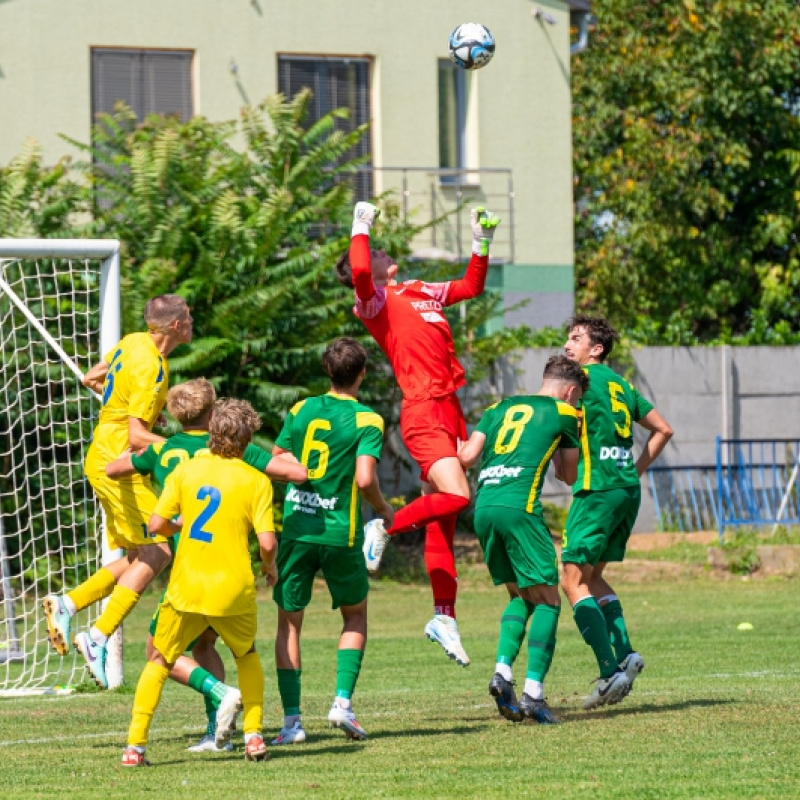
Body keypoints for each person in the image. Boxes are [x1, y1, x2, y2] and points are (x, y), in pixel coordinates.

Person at [336, 201, 500, 667]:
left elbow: (472, 285)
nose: (386, 254)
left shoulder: (419, 289)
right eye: (378, 250)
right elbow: (363, 271)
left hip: (450, 406)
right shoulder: (374, 300)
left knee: (443, 523)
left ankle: (443, 616)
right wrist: (360, 224)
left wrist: (480, 240)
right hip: (424, 408)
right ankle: (383, 525)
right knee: (459, 495)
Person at [105, 377, 307, 752]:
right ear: (247, 440)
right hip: (234, 588)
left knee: (160, 660)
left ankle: (135, 746)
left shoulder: (186, 471)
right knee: (246, 655)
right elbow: (266, 541)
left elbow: (155, 525)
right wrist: (270, 567)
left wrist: (176, 524)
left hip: (187, 586)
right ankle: (253, 735)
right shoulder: (255, 479)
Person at [42, 294, 193, 689]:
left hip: (102, 452)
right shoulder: (154, 368)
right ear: (175, 326)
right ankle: (97, 635)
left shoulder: (131, 341)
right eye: (189, 318)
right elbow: (136, 435)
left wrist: (130, 408)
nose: (193, 323)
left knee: (137, 556)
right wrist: (183, 450)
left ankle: (68, 603)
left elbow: (91, 378)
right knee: (160, 550)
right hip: (117, 462)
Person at [269, 338, 393, 744]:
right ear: (362, 373)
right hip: (340, 533)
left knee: (290, 623)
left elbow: (276, 460)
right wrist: (383, 508)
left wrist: (304, 479)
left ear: (327, 370)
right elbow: (364, 479)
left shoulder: (301, 409)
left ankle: (291, 723)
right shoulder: (368, 420)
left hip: (298, 529)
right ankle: (341, 703)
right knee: (355, 615)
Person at [459, 355, 587, 725]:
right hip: (520, 508)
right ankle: (534, 694)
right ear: (571, 391)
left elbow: (467, 456)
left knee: (521, 596)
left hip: (484, 508)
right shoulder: (566, 415)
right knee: (549, 599)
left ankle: (502, 672)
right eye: (576, 400)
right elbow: (567, 474)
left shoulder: (500, 406)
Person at [561, 316, 674, 709]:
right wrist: (635, 469)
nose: (566, 345)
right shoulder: (622, 384)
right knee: (592, 578)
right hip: (626, 490)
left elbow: (563, 429)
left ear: (597, 350)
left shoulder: (580, 383)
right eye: (567, 338)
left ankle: (610, 673)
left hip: (597, 490)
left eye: (576, 339)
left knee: (572, 579)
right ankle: (625, 653)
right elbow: (664, 429)